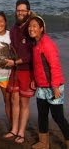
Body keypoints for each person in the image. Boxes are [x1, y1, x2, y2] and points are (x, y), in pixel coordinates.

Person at [28, 16, 69, 148]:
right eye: (30, 26)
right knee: (42, 115)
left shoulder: (47, 44)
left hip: (53, 86)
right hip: (42, 87)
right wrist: (35, 80)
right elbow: (38, 66)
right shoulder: (36, 44)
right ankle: (44, 142)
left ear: (41, 29)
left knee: (58, 117)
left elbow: (55, 66)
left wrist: (56, 86)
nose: (31, 28)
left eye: (34, 26)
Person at [3, 0, 35, 143]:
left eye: (23, 10)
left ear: (28, 11)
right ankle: (14, 129)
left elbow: (31, 54)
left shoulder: (31, 27)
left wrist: (15, 62)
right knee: (14, 100)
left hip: (27, 70)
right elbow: (12, 49)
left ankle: (21, 132)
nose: (20, 12)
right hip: (15, 70)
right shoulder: (15, 27)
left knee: (24, 102)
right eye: (18, 10)